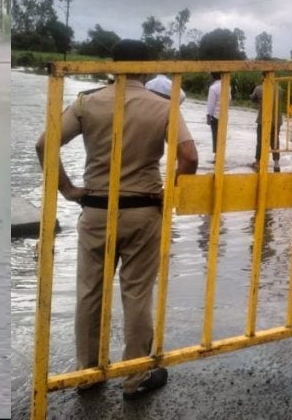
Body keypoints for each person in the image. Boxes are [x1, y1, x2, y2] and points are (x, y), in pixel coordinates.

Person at [35, 40, 198, 401]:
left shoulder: (87, 102)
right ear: (147, 68)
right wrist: (167, 193)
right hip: (143, 211)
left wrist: (66, 188)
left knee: (90, 292)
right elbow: (188, 157)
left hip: (95, 209)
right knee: (137, 292)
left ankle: (88, 373)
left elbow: (44, 144)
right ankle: (135, 376)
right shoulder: (163, 106)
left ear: (113, 65)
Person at [251, 74, 282, 172]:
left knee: (260, 141)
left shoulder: (259, 88)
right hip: (277, 120)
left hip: (263, 120)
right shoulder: (279, 89)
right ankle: (276, 163)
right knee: (275, 141)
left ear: (263, 77)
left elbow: (253, 98)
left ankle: (258, 162)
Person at [206, 72, 226, 162]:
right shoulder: (227, 86)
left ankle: (217, 156)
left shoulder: (213, 88)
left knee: (215, 136)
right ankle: (221, 155)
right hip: (224, 116)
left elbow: (211, 104)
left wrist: (208, 116)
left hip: (215, 116)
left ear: (212, 77)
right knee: (222, 136)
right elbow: (229, 99)